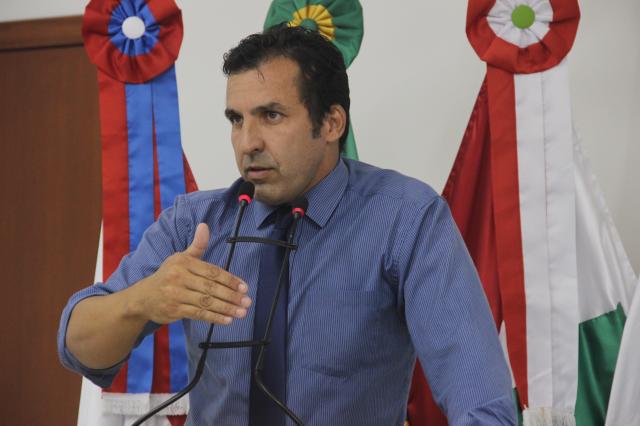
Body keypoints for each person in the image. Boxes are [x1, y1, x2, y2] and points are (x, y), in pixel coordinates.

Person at [58, 24, 516, 425]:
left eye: (271, 116)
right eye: (236, 120)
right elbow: (77, 346)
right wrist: (142, 300)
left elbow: (483, 406)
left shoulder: (406, 218)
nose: (247, 143)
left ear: (331, 123)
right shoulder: (193, 224)